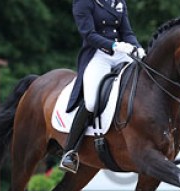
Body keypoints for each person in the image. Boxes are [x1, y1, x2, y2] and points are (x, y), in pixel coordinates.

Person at [59, 0, 146, 173]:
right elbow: (88, 34)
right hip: (98, 54)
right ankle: (70, 151)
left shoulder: (118, 2)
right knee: (91, 101)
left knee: (146, 77)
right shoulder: (84, 2)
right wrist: (113, 45)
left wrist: (137, 47)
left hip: (121, 53)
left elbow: (127, 32)